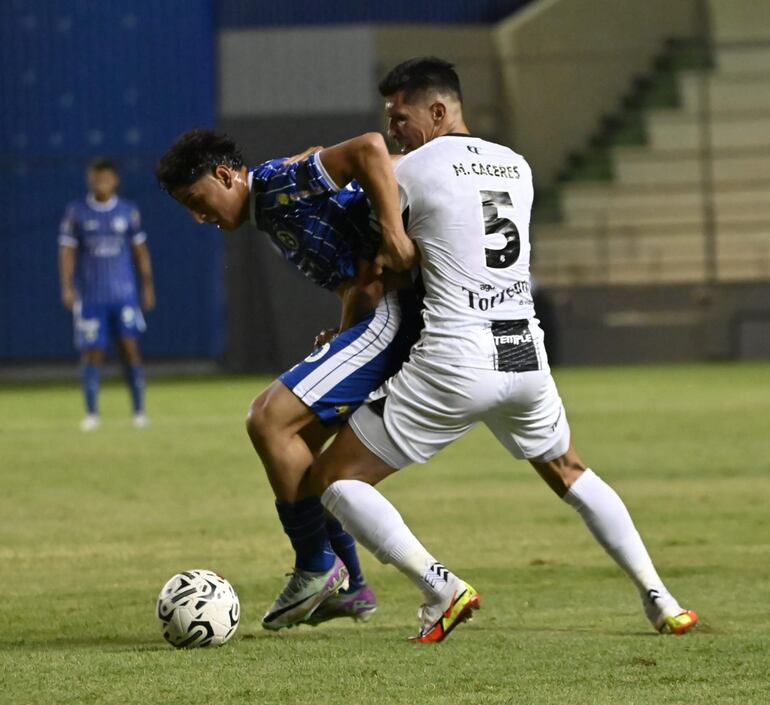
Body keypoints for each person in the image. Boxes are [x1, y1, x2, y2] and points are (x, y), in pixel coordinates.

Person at [301, 57, 697, 642]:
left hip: (456, 358)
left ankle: (439, 587)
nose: (393, 132)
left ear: (438, 112)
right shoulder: (518, 166)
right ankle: (661, 598)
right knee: (569, 470)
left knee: (332, 478)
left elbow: (385, 262)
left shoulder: (406, 170)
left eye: (401, 117)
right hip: (524, 355)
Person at [154, 130, 420, 630]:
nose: (198, 216)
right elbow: (355, 276)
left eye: (198, 200)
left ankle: (317, 566)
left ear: (226, 175)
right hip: (375, 314)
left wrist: (394, 233)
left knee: (268, 419)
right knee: (304, 461)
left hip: (394, 315)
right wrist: (342, 335)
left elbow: (368, 149)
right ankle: (354, 585)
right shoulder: (271, 213)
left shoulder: (274, 185)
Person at [58, 158, 155, 431]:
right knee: (93, 353)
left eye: (105, 177)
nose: (100, 182)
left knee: (130, 349)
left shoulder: (127, 212)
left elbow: (140, 251)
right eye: (95, 177)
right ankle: (91, 413)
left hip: (124, 295)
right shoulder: (76, 212)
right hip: (91, 297)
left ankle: (139, 411)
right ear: (90, 179)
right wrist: (67, 287)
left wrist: (147, 286)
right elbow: (66, 252)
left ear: (115, 180)